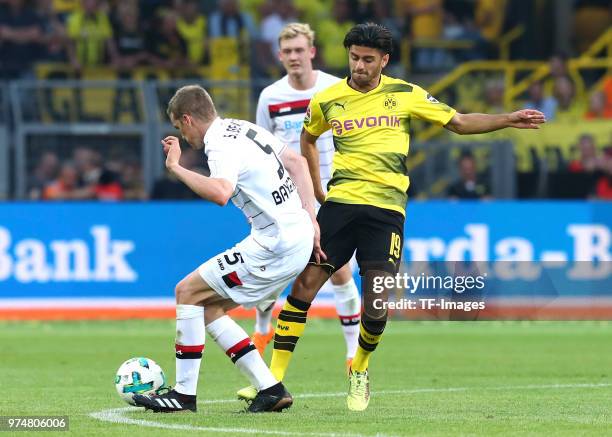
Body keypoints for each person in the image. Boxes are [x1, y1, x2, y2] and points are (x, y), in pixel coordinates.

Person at [264, 22, 546, 412]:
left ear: (384, 60)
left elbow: (459, 122)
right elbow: (308, 139)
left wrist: (508, 119)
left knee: (378, 301)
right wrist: (316, 187)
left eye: (367, 59)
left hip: (386, 211)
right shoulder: (327, 100)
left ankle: (359, 368)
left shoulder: (405, 94)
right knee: (304, 286)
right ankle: (271, 380)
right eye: (353, 58)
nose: (359, 66)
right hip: (341, 205)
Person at [131, 85, 319, 413]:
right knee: (205, 307)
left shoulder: (219, 146)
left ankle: (183, 396)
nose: (184, 136)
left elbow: (220, 193)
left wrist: (176, 168)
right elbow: (298, 163)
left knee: (186, 291)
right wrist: (312, 220)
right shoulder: (243, 128)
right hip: (296, 234)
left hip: (274, 245)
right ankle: (271, 389)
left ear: (187, 119)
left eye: (179, 128)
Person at [250, 23, 360, 375]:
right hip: (287, 200)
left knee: (339, 269)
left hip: (332, 192)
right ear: (280, 56)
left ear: (312, 52)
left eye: (300, 50)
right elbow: (264, 150)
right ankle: (262, 330)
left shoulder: (333, 88)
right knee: (271, 269)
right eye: (288, 51)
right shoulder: (270, 97)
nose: (294, 57)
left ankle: (351, 354)